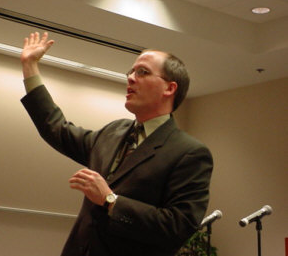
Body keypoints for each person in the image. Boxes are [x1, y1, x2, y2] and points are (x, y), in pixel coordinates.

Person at [20, 32, 213, 256]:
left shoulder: (189, 152)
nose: (130, 77)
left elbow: (177, 227)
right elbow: (57, 129)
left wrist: (111, 200)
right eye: (131, 71)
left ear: (169, 88)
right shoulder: (113, 131)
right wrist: (30, 67)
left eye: (143, 72)